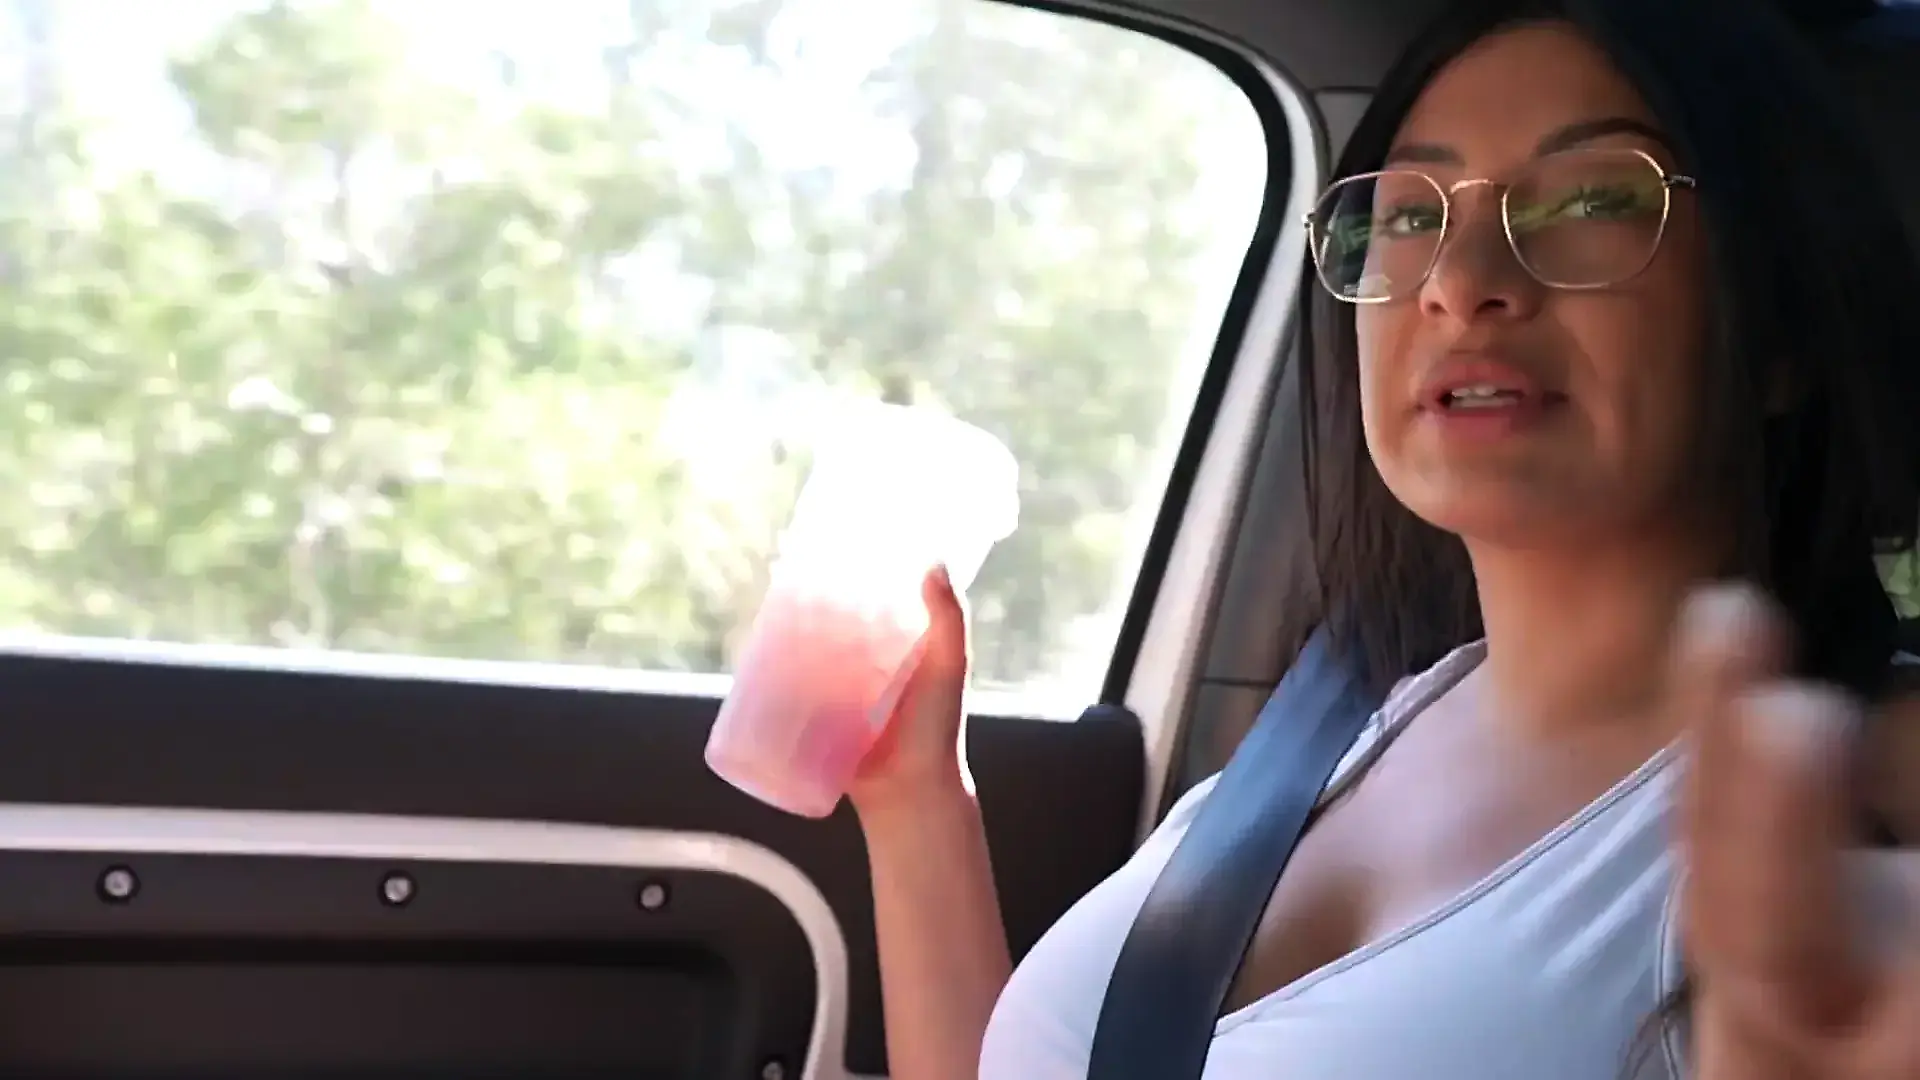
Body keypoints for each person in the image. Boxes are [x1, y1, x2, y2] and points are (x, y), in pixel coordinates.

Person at [847, 0, 1920, 1077]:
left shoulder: (1855, 812)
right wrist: (915, 802)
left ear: (1780, 330)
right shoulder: (1351, 716)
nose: (1459, 280)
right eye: (1409, 215)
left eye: (1594, 198)